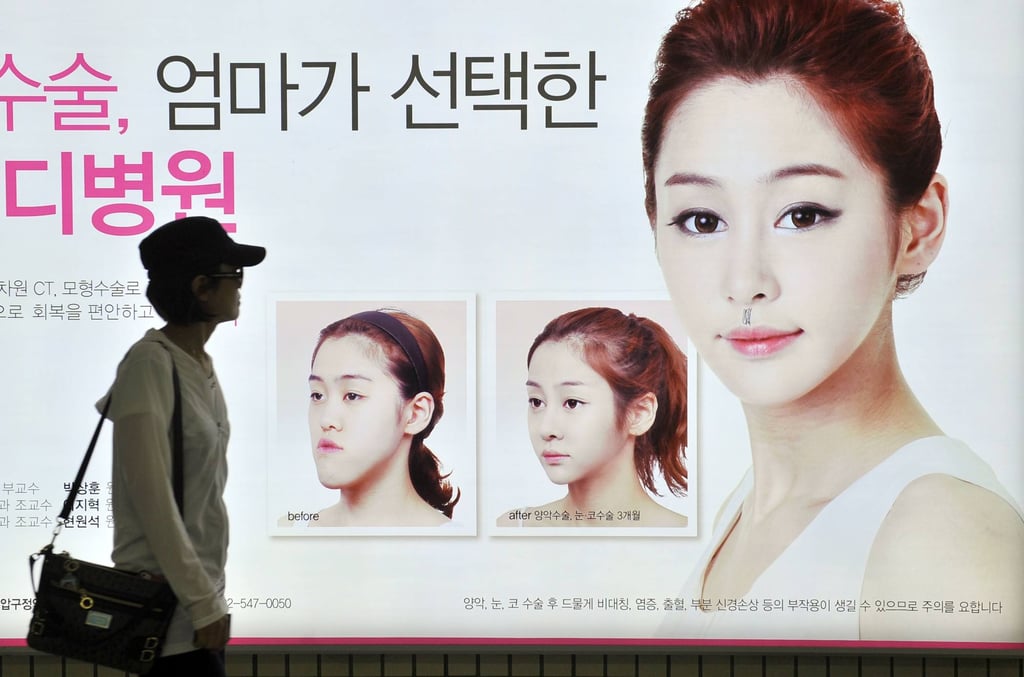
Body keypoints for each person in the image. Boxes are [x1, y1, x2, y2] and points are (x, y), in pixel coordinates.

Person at [643, 0, 1024, 640]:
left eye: (804, 214)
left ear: (918, 225)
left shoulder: (942, 546)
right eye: (702, 220)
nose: (745, 282)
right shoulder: (754, 510)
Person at [100, 216, 265, 674]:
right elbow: (152, 499)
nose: (240, 288)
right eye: (234, 276)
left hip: (197, 602)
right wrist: (202, 602)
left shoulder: (200, 365)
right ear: (201, 287)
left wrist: (208, 597)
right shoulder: (149, 366)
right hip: (166, 611)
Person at [496, 307, 688, 528]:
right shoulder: (513, 528)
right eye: (536, 402)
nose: (546, 429)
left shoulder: (684, 537)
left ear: (639, 414)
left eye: (572, 403)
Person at [287, 308, 459, 527]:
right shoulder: (291, 530)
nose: (326, 420)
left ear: (416, 413)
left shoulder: (458, 546)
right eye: (317, 395)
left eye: (352, 395)